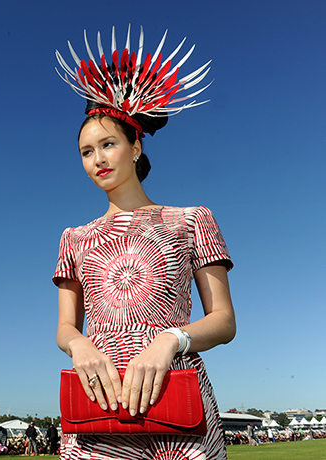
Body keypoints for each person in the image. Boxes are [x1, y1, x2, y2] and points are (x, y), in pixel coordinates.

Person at [53, 26, 236, 460]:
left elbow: (224, 321)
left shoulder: (191, 220)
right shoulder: (73, 238)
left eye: (108, 144)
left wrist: (171, 340)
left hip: (176, 405)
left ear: (135, 147)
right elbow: (65, 326)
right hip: (98, 404)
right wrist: (78, 344)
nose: (97, 158)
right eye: (85, 151)